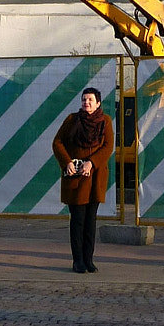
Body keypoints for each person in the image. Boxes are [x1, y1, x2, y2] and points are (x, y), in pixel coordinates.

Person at [52, 85, 114, 274]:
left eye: (90, 100)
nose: (86, 103)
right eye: (84, 99)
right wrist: (67, 162)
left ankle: (89, 260)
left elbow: (108, 146)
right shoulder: (72, 120)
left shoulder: (105, 121)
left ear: (98, 103)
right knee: (77, 220)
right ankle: (77, 261)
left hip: (94, 178)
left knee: (90, 221)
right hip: (76, 179)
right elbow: (57, 142)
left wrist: (91, 163)